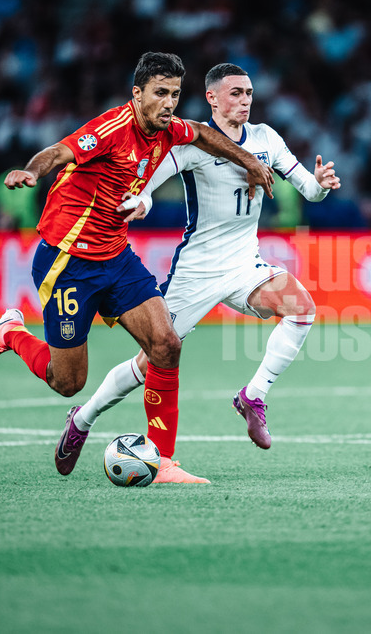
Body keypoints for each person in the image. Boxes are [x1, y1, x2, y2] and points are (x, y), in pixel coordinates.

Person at [0, 53, 273, 483]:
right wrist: (31, 172)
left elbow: (206, 135)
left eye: (174, 94)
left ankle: (163, 461)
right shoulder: (113, 128)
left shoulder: (170, 130)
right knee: (68, 381)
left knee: (166, 344)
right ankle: (10, 334)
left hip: (116, 256)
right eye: (160, 93)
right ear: (137, 94)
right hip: (68, 262)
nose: (169, 103)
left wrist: (249, 160)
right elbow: (59, 151)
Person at [63, 62, 340, 463]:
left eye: (248, 93)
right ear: (212, 98)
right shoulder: (192, 145)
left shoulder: (266, 139)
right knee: (149, 362)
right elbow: (152, 183)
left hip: (245, 263)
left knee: (302, 310)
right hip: (197, 271)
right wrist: (141, 202)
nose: (245, 101)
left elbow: (308, 191)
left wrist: (321, 184)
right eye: (235, 93)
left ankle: (252, 396)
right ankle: (83, 419)